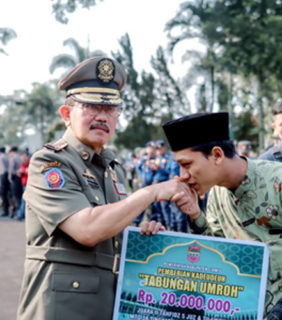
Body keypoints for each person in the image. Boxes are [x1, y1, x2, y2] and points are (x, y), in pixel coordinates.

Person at [17, 56, 192, 320]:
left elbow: (112, 232)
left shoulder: (112, 167)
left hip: (106, 305)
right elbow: (86, 229)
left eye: (110, 109)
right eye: (91, 107)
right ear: (66, 114)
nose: (102, 116)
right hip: (62, 309)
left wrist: (140, 234)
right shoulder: (50, 162)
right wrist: (149, 193)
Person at [162, 112, 282, 320]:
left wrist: (281, 312)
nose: (182, 175)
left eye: (186, 164)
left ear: (217, 155)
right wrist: (196, 216)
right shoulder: (217, 195)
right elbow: (218, 259)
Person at [15, 150, 30, 221]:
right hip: (24, 184)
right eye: (22, 157)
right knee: (24, 200)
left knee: (24, 200)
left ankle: (20, 214)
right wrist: (20, 174)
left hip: (29, 185)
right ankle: (21, 214)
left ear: (27, 156)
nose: (23, 158)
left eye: (24, 156)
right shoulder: (22, 164)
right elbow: (21, 173)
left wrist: (24, 172)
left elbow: (30, 172)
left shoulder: (31, 163)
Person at [0, 147, 10, 217]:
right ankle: (8, 209)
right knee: (7, 193)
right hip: (7, 176)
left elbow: (2, 169)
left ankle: (5, 210)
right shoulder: (7, 157)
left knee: (3, 194)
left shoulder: (1, 157)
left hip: (3, 176)